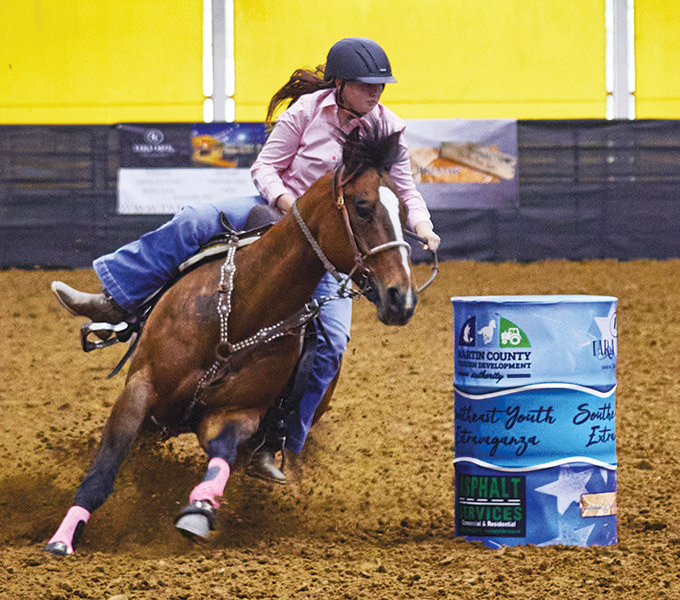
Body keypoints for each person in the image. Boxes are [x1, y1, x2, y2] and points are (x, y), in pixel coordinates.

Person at [52, 37, 440, 484]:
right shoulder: (305, 113)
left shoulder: (387, 129)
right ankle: (116, 301)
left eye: (380, 85)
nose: (376, 93)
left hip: (334, 243)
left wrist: (423, 225)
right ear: (339, 83)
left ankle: (276, 442)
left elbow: (404, 190)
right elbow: (266, 168)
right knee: (194, 220)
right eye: (367, 84)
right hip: (275, 214)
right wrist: (289, 207)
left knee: (330, 345)